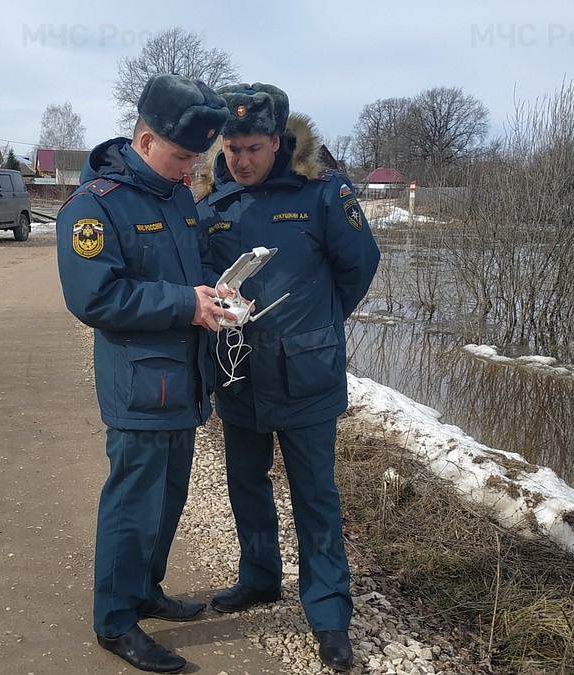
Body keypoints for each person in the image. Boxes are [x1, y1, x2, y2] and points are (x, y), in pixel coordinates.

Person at [193, 83, 381, 673]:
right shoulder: (212, 202)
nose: (240, 160)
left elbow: (358, 267)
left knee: (315, 497)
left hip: (306, 374)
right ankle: (260, 578)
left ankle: (328, 614)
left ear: (277, 141)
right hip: (239, 372)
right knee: (247, 484)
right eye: (231, 149)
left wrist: (317, 323)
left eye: (252, 147)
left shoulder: (322, 194)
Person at [55, 73, 232, 674]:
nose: (191, 170)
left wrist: (219, 293)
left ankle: (146, 590)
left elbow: (192, 268)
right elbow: (95, 299)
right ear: (147, 138)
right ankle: (115, 620)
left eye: (196, 159)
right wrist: (187, 305)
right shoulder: (92, 207)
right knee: (132, 503)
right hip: (139, 384)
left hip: (185, 377)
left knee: (170, 497)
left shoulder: (177, 196)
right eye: (183, 156)